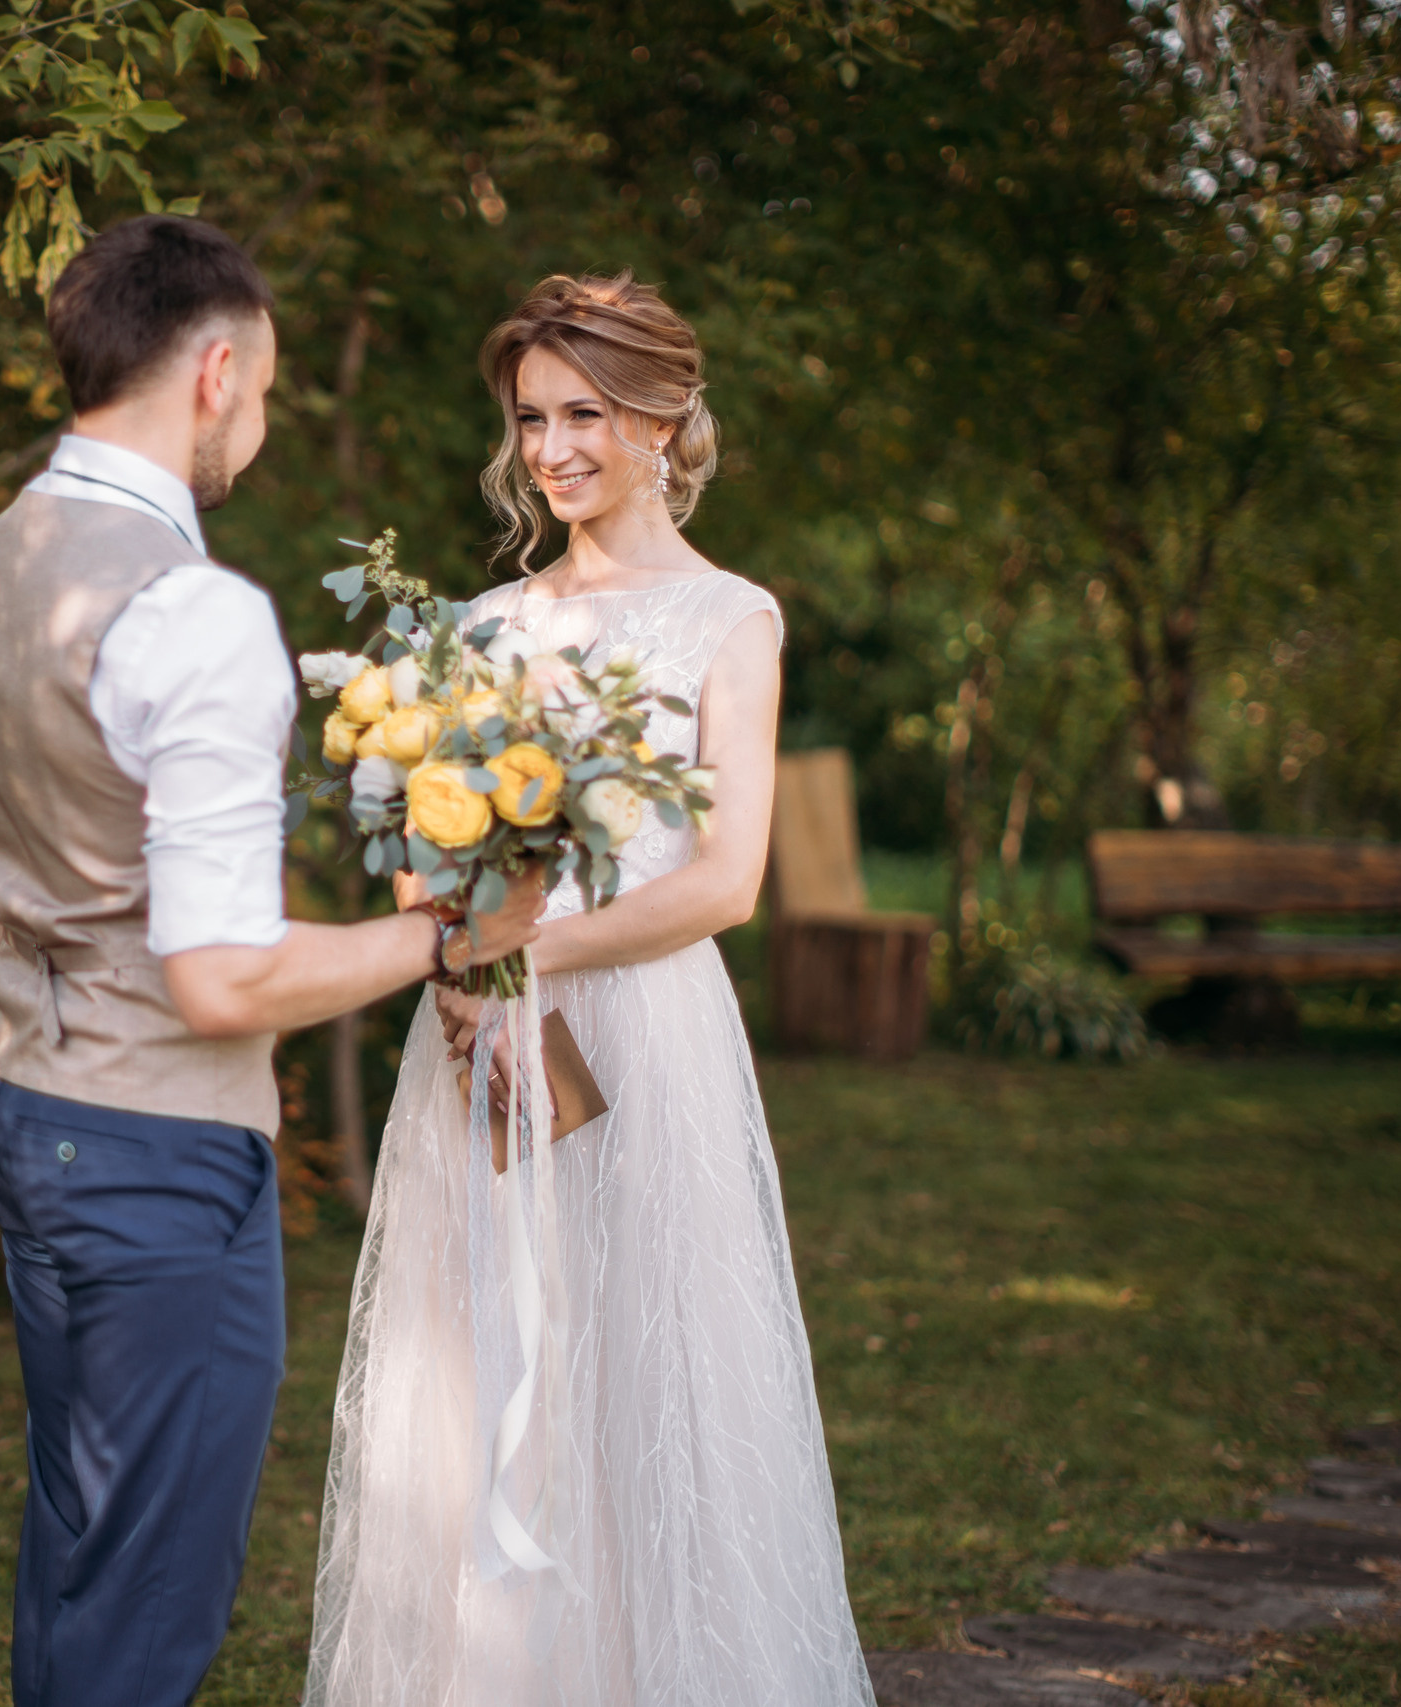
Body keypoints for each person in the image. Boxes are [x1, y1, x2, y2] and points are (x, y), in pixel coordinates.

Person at [0, 215, 544, 1707]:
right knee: (154, 1592)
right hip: (160, 1161)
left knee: (83, 1552)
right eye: (269, 390)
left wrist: (50, 1012)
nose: (263, 421)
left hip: (27, 1115)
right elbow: (220, 982)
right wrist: (441, 931)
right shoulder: (197, 613)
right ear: (217, 371)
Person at [305, 274, 876, 1706]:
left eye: (585, 414)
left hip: (643, 1040)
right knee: (493, 1382)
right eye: (531, 418)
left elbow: (726, 880)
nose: (553, 448)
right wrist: (450, 955)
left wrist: (526, 958)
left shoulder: (728, 620)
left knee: (648, 1387)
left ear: (666, 417)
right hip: (478, 1047)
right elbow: (421, 829)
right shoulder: (483, 624)